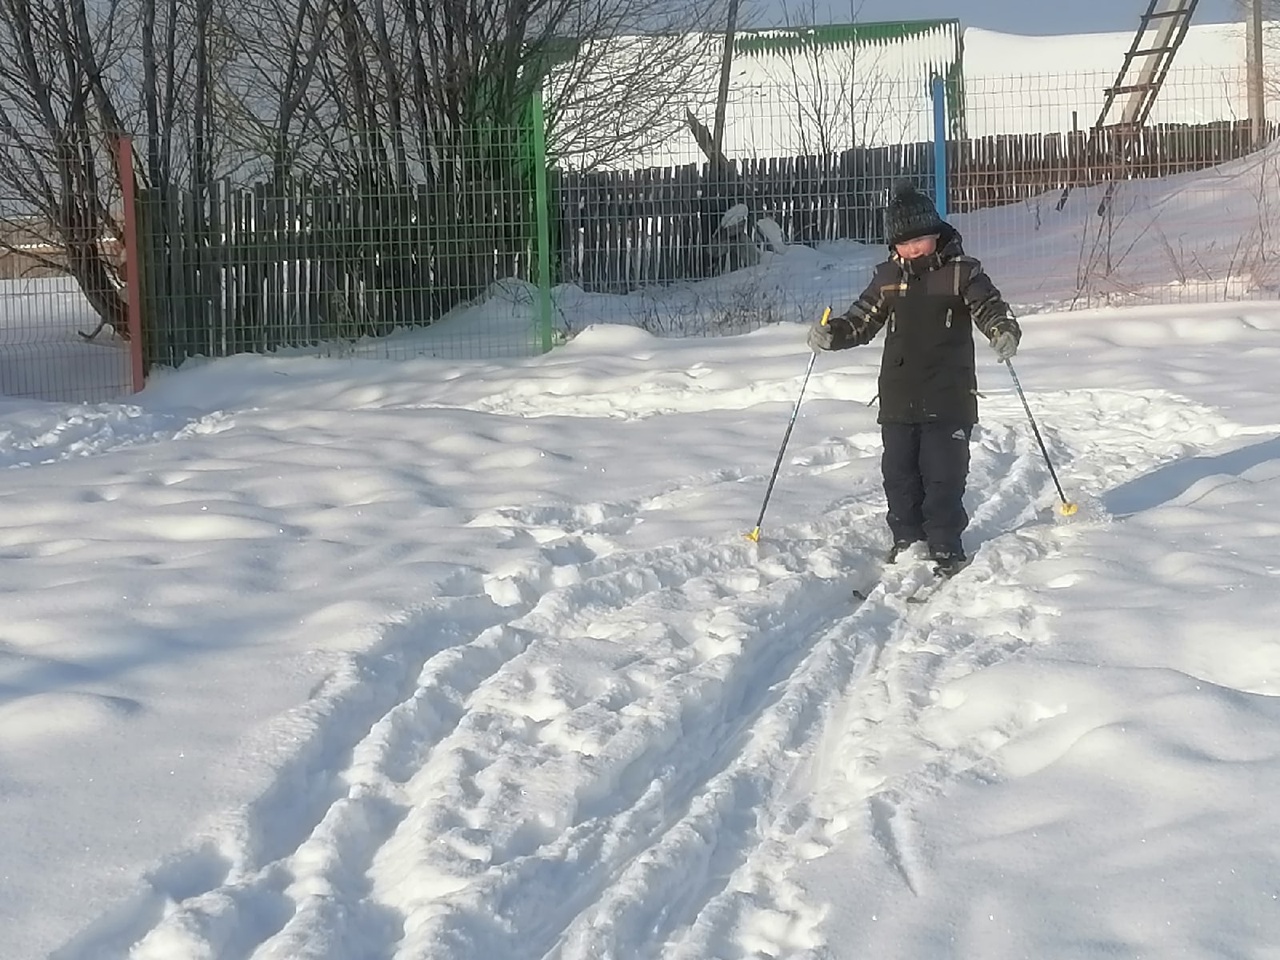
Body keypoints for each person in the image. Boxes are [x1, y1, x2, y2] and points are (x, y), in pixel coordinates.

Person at [807, 180, 1021, 578]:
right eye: (903, 244)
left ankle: (944, 543)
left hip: (949, 393)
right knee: (899, 474)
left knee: (943, 473)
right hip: (899, 394)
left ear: (935, 234)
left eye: (919, 240)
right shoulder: (888, 277)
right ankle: (906, 539)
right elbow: (862, 320)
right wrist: (832, 334)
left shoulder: (961, 273)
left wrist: (1002, 330)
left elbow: (989, 307)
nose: (912, 250)